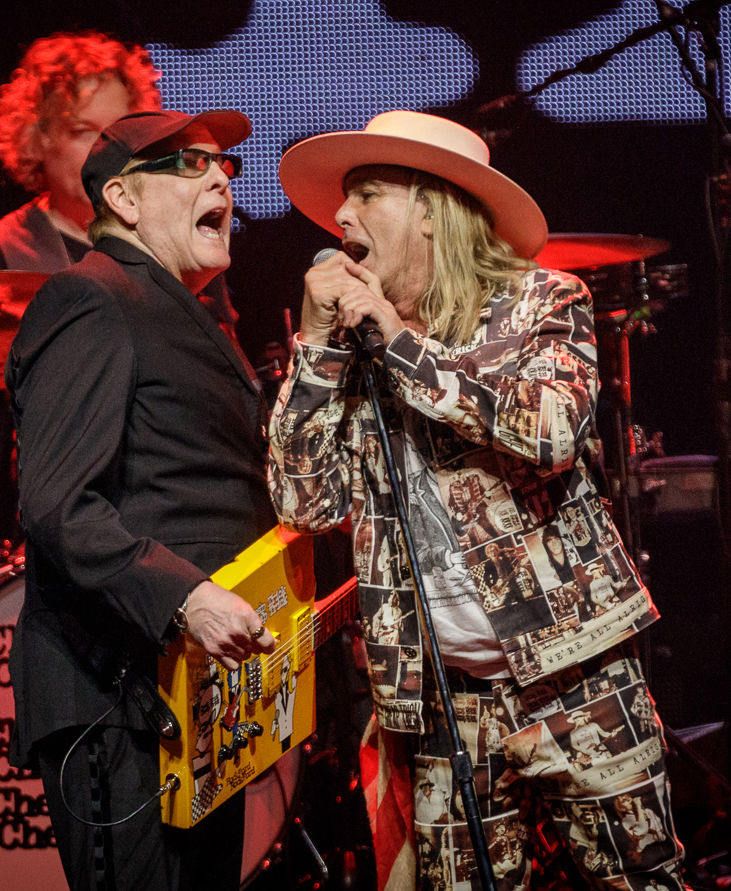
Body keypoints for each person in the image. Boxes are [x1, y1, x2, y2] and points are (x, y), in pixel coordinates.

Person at [267, 111, 684, 890]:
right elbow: (305, 501)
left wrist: (398, 342)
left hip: (575, 674)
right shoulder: (348, 346)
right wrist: (318, 351)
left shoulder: (542, 304)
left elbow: (551, 430)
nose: (341, 219)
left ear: (431, 208)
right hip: (438, 694)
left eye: (368, 195)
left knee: (639, 882)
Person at [4, 108, 278, 891]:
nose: (223, 176)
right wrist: (187, 597)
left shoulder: (180, 310)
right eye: (194, 165)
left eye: (225, 164)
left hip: (189, 693)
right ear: (124, 199)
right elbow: (59, 504)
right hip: (115, 699)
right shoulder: (91, 298)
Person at [0, 31, 162, 542]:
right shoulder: (0, 255)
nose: (104, 152)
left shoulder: (173, 238)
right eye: (84, 132)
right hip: (69, 523)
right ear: (39, 139)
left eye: (118, 134)